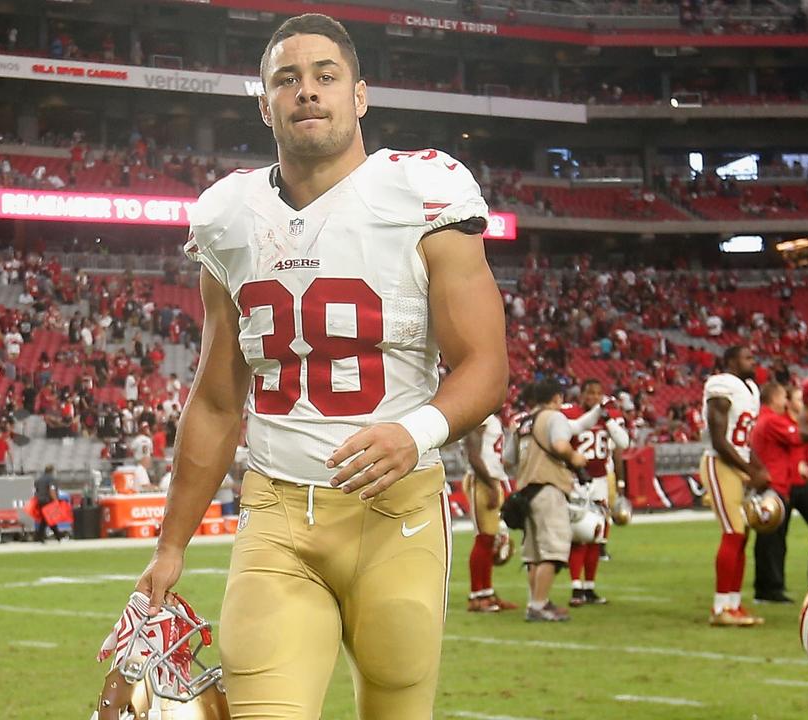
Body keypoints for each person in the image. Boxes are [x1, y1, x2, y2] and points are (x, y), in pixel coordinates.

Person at [130, 13, 508, 719]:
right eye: (287, 79)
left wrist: (416, 432)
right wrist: (171, 545)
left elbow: (486, 366)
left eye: (325, 76)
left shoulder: (421, 193)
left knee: (396, 707)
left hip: (396, 515)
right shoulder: (229, 216)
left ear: (359, 96)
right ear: (264, 102)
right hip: (276, 514)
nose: (308, 92)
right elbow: (215, 401)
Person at [700, 345, 770, 626]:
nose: (753, 361)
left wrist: (757, 467)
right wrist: (750, 470)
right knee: (733, 532)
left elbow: (743, 439)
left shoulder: (751, 389)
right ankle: (720, 609)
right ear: (730, 361)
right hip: (719, 464)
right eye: (747, 357)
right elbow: (719, 441)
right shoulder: (721, 385)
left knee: (742, 537)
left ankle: (734, 603)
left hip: (737, 464)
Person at [516, 380, 588, 622]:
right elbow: (559, 445)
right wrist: (575, 458)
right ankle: (538, 606)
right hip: (548, 487)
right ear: (557, 397)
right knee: (553, 550)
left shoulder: (522, 421)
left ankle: (536, 601)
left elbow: (508, 458)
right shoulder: (554, 418)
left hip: (526, 491)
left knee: (534, 554)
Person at [750, 381, 808, 602]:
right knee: (772, 537)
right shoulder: (773, 420)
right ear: (775, 399)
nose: (787, 401)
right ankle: (769, 588)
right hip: (776, 485)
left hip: (785, 484)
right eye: (785, 397)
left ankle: (769, 587)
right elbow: (797, 436)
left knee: (773, 537)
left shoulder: (772, 420)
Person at [562, 379, 626, 606]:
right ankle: (576, 588)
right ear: (582, 394)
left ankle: (589, 587)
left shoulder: (608, 416)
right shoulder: (570, 414)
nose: (594, 397)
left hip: (600, 481)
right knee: (580, 535)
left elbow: (623, 443)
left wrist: (608, 421)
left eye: (598, 393)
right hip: (578, 480)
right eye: (590, 393)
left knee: (597, 536)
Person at [462, 413, 517, 612]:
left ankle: (487, 593)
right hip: (482, 481)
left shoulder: (491, 418)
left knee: (489, 539)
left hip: (491, 479)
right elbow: (474, 455)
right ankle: (477, 596)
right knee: (484, 538)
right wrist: (492, 487)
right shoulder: (481, 415)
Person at [34, 464, 65, 542]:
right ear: (52, 471)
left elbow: (36, 491)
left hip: (40, 501)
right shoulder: (52, 479)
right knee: (48, 519)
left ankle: (55, 536)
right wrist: (56, 501)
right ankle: (57, 535)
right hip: (48, 501)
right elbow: (52, 491)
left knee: (46, 519)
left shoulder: (39, 479)